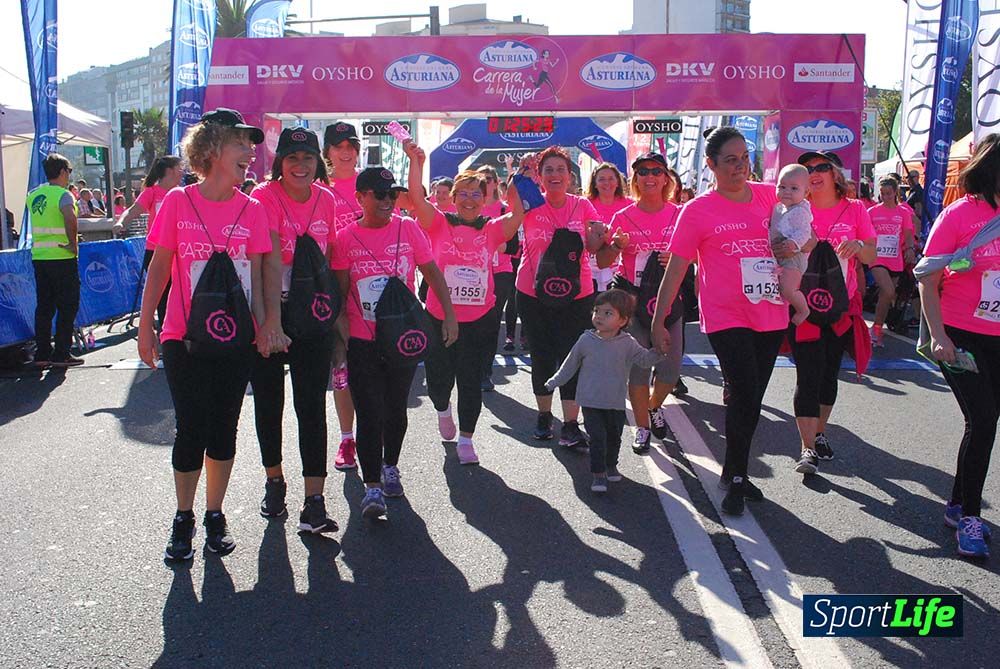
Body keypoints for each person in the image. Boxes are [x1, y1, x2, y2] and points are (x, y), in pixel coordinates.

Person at [137, 108, 271, 561]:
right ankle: (184, 516)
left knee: (224, 429)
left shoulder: (253, 210)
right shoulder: (177, 202)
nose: (249, 153)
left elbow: (257, 278)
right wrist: (146, 328)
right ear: (211, 148)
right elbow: (159, 267)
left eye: (250, 145)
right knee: (191, 428)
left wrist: (265, 328)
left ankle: (215, 513)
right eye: (240, 143)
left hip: (235, 340)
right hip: (183, 338)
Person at [652, 127, 794, 515]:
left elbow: (803, 232)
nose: (740, 166)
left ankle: (734, 469)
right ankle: (737, 477)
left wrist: (793, 246)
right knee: (745, 390)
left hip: (770, 311)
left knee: (752, 396)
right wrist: (660, 319)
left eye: (745, 158)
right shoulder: (697, 210)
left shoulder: (769, 197)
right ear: (711, 165)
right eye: (730, 160)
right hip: (726, 315)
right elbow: (676, 269)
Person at [331, 167, 458, 520]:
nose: (388, 201)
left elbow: (432, 273)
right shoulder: (344, 238)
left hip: (402, 338)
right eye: (379, 194)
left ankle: (390, 466)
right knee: (369, 411)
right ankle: (372, 485)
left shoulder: (408, 228)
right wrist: (340, 341)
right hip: (363, 340)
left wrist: (449, 315)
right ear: (360, 198)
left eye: (392, 195)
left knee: (395, 409)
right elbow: (339, 294)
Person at [405, 143, 523, 463]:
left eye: (476, 194)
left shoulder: (493, 229)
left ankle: (467, 439)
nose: (470, 200)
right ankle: (443, 411)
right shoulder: (439, 223)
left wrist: (520, 177)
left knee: (470, 381)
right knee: (439, 381)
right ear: (454, 198)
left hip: (479, 319)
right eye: (464, 194)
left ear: (485, 200)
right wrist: (417, 162)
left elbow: (519, 213)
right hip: (439, 315)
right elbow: (416, 197)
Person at [249, 126, 340, 534]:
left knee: (311, 405)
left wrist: (337, 323)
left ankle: (314, 500)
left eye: (308, 158)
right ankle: (274, 479)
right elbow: (268, 261)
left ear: (318, 162)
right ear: (279, 162)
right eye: (292, 158)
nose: (300, 166)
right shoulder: (264, 197)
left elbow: (330, 260)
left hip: (313, 314)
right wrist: (270, 321)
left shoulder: (327, 199)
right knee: (269, 402)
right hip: (273, 310)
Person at [917, 133, 1000, 559]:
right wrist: (938, 336)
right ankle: (970, 518)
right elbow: (928, 278)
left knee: (984, 420)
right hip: (960, 335)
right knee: (983, 420)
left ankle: (955, 503)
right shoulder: (959, 215)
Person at [515, 146, 615, 447]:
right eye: (548, 170)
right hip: (532, 292)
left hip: (577, 295)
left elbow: (595, 248)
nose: (555, 175)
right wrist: (521, 173)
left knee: (572, 356)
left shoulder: (583, 206)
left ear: (570, 177)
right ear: (540, 176)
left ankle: (571, 424)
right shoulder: (531, 201)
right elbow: (511, 202)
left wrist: (603, 235)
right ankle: (544, 416)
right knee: (542, 355)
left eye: (561, 170)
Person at [789, 150, 876, 475]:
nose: (814, 172)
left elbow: (871, 254)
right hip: (802, 308)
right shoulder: (794, 209)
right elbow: (776, 250)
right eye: (807, 168)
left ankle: (820, 432)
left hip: (840, 308)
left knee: (828, 375)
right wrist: (796, 246)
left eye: (821, 167)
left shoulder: (855, 209)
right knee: (808, 374)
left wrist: (859, 247)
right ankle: (807, 448)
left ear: (835, 173)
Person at [601, 152, 682, 453]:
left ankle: (653, 405)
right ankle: (642, 427)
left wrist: (679, 258)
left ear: (666, 178)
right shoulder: (623, 217)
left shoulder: (680, 214)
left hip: (669, 302)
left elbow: (700, 255)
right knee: (638, 370)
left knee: (670, 371)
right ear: (635, 179)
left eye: (656, 171)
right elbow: (603, 260)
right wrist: (616, 245)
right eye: (643, 172)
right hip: (634, 303)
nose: (650, 177)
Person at [545, 289, 664, 492]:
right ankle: (598, 474)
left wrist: (659, 352)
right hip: (590, 401)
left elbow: (644, 360)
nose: (599, 316)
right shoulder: (586, 340)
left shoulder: (627, 342)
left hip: (615, 402)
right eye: (596, 311)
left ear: (623, 320)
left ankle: (611, 465)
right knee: (597, 437)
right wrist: (554, 382)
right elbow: (569, 365)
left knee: (614, 437)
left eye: (607, 313)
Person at [322, 121, 363, 470]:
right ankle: (347, 438)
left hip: (376, 294)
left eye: (351, 145)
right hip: (336, 291)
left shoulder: (373, 183)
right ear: (328, 152)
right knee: (342, 368)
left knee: (376, 372)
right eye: (338, 146)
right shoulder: (319, 189)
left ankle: (375, 436)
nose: (345, 152)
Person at [114, 155, 184, 327]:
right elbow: (132, 210)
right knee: (163, 295)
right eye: (180, 168)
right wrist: (121, 222)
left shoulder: (183, 193)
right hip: (156, 251)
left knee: (180, 293)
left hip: (180, 252)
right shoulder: (152, 192)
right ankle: (166, 333)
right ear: (170, 171)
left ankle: (180, 330)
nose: (183, 172)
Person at [28, 153, 83, 368]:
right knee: (68, 306)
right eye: (69, 171)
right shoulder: (64, 195)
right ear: (62, 171)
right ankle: (61, 353)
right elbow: (70, 218)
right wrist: (72, 244)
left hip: (40, 257)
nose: (69, 175)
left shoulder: (34, 195)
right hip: (62, 257)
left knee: (44, 306)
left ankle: (42, 353)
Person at [476, 164, 517, 390]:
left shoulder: (504, 210)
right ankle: (471, 368)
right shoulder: (471, 207)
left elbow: (514, 247)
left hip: (500, 272)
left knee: (491, 323)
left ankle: (485, 372)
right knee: (474, 323)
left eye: (488, 179)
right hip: (473, 274)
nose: (484, 183)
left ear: (495, 183)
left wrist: (499, 245)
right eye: (480, 179)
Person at [868, 177, 918, 346]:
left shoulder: (903, 212)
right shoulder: (872, 212)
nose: (885, 197)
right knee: (889, 291)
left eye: (888, 193)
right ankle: (876, 330)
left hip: (895, 259)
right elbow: (864, 232)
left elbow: (908, 234)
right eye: (882, 193)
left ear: (895, 192)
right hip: (877, 257)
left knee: (886, 296)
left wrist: (910, 249)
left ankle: (876, 329)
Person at [770, 164, 814, 326]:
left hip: (794, 258)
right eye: (782, 187)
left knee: (788, 289)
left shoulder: (800, 211)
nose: (787, 191)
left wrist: (794, 243)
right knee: (782, 287)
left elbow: (805, 232)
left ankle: (803, 310)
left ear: (806, 192)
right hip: (783, 256)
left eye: (794, 188)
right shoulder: (780, 207)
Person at [587, 162, 631, 293]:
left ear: (618, 182)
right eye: (601, 179)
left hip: (621, 270)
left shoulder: (630, 204)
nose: (607, 183)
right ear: (595, 184)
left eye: (611, 179)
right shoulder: (585, 204)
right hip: (590, 269)